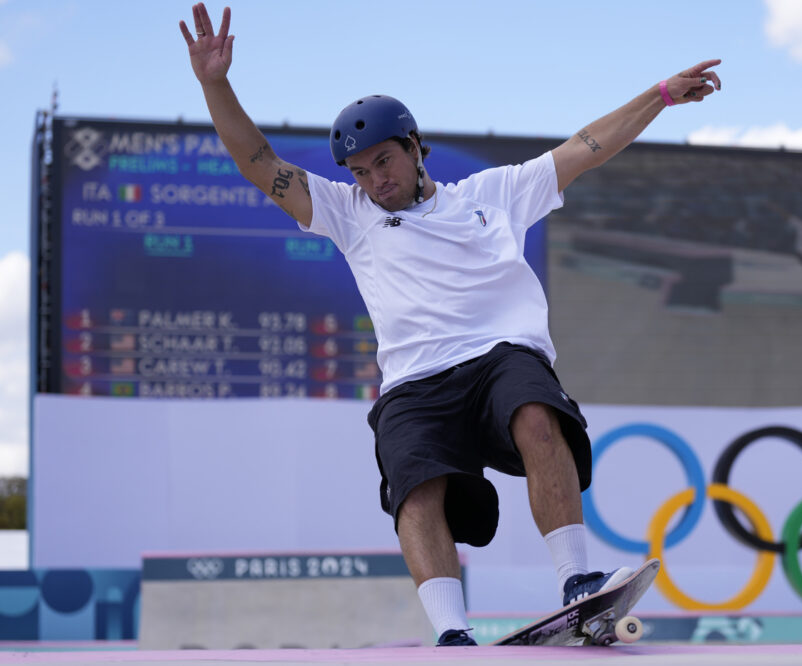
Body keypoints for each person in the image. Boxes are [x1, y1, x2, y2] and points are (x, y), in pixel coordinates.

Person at [180, 3, 721, 647]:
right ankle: (452, 636)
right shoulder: (348, 214)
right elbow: (256, 160)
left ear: (414, 146)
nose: (374, 182)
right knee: (413, 484)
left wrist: (659, 95)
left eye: (384, 162)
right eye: (360, 172)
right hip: (414, 380)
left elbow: (586, 147)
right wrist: (214, 82)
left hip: (499, 358)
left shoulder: (492, 195)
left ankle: (578, 583)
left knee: (535, 412)